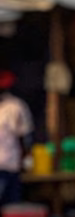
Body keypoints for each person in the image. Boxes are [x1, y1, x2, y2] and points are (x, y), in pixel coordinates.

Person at [0, 70, 33, 206]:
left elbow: (24, 136)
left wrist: (27, 160)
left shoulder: (15, 106)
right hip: (7, 163)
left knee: (11, 206)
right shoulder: (15, 106)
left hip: (8, 164)